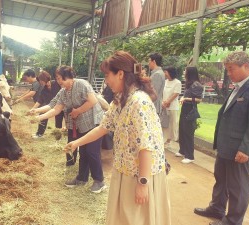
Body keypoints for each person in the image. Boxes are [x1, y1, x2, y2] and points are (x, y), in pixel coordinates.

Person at [65, 51, 171, 225]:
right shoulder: (121, 100)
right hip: (124, 171)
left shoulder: (139, 102)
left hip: (139, 175)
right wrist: (77, 142)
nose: (106, 80)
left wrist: (143, 183)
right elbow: (103, 127)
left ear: (120, 74)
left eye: (107, 75)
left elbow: (146, 146)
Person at [194, 51, 249, 225]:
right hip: (225, 145)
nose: (228, 74)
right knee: (221, 179)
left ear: (245, 66)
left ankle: (233, 221)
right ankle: (216, 208)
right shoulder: (239, 86)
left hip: (239, 149)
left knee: (238, 187)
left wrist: (246, 149)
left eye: (231, 69)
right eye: (227, 70)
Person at [32, 65, 106, 193]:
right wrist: (38, 115)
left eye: (61, 78)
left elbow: (93, 101)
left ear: (69, 77)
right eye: (57, 78)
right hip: (82, 124)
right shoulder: (63, 92)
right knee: (83, 151)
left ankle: (99, 181)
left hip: (94, 121)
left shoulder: (82, 84)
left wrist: (77, 111)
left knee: (92, 151)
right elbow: (55, 107)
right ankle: (82, 179)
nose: (59, 81)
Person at [176, 66, 203, 164]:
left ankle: (190, 155)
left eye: (185, 71)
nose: (184, 72)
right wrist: (183, 97)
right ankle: (182, 150)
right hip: (185, 109)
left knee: (188, 132)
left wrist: (185, 99)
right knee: (182, 130)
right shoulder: (189, 84)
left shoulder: (197, 85)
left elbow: (199, 100)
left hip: (190, 110)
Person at [29, 71, 62, 138]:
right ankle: (39, 134)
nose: (40, 82)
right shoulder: (44, 89)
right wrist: (33, 109)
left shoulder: (57, 84)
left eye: (41, 80)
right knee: (42, 114)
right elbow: (40, 100)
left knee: (59, 119)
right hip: (51, 106)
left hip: (61, 106)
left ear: (45, 79)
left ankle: (59, 133)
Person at [162, 66, 182, 144]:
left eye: (166, 72)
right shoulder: (165, 81)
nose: (165, 74)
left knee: (172, 123)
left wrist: (167, 102)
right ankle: (165, 138)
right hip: (164, 105)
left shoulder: (177, 82)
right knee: (165, 123)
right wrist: (163, 103)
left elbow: (176, 94)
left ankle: (169, 140)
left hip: (172, 106)